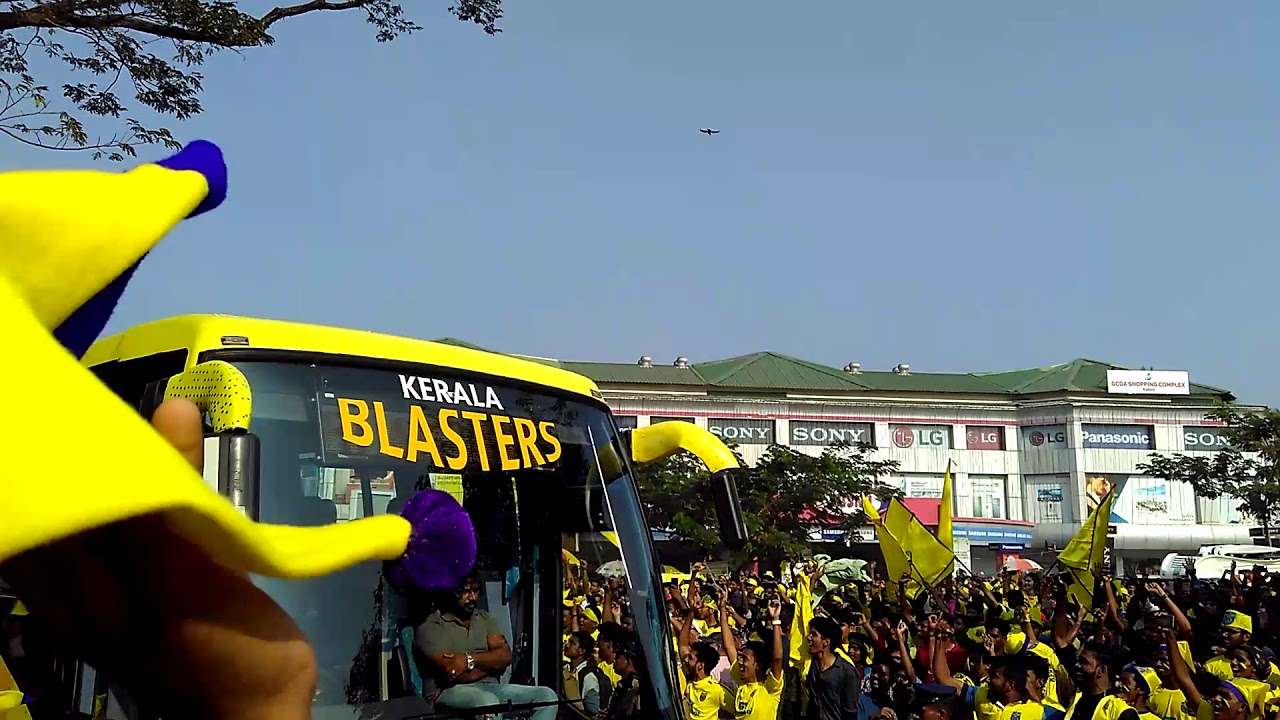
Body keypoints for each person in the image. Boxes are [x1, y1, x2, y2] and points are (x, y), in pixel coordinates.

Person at [417, 574, 558, 719]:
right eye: (465, 591)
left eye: (476, 591)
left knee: (547, 696)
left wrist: (469, 660)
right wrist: (492, 663)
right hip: (447, 692)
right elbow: (455, 673)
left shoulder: (485, 619)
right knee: (488, 702)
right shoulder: (432, 627)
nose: (472, 597)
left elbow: (506, 657)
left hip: (492, 687)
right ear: (451, 591)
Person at [805, 615, 860, 720]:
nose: (809, 638)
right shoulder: (812, 666)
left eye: (814, 635)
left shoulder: (847, 671)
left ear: (826, 641)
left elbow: (850, 712)